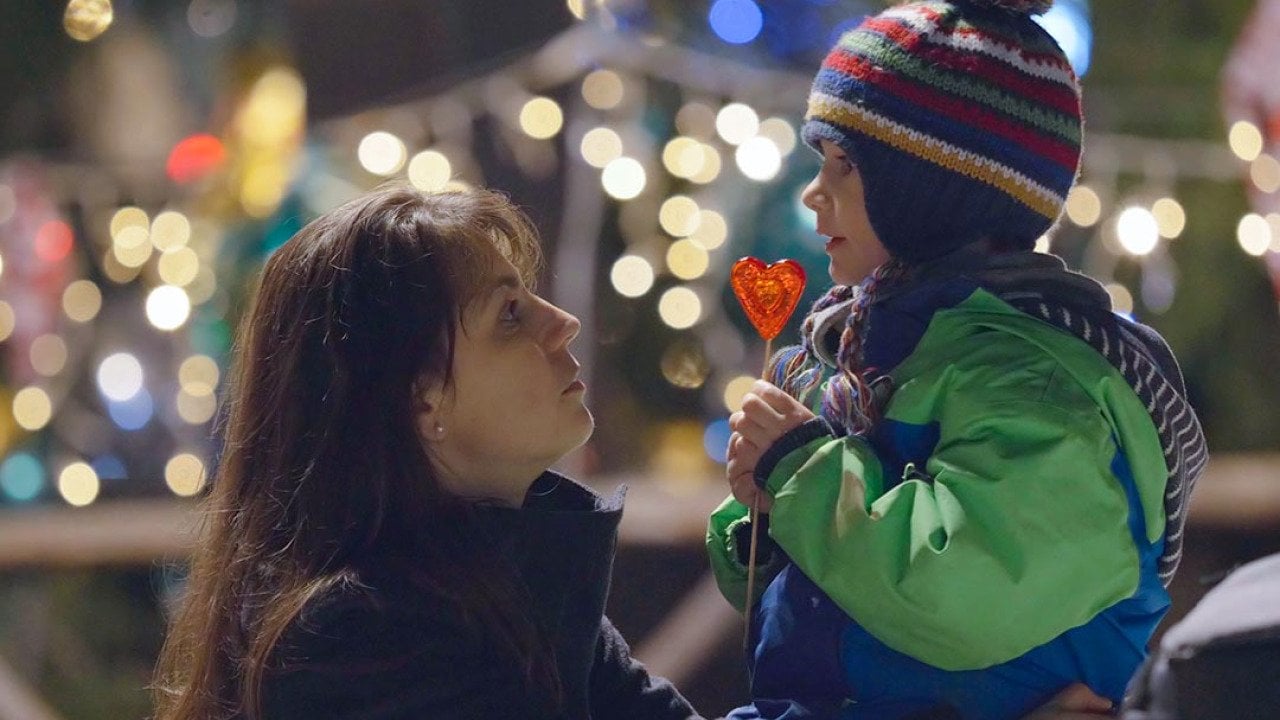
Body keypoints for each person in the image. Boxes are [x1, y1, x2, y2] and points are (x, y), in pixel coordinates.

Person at [705, 1, 1209, 718]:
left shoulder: (1038, 386)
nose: (814, 194)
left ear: (934, 191)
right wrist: (759, 527)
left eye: (846, 167)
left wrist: (801, 475)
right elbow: (826, 589)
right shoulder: (869, 347)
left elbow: (956, 595)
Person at [152, 185, 701, 720]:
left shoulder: (503, 584)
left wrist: (776, 551)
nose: (563, 322)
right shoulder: (369, 642)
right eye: (509, 314)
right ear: (419, 398)